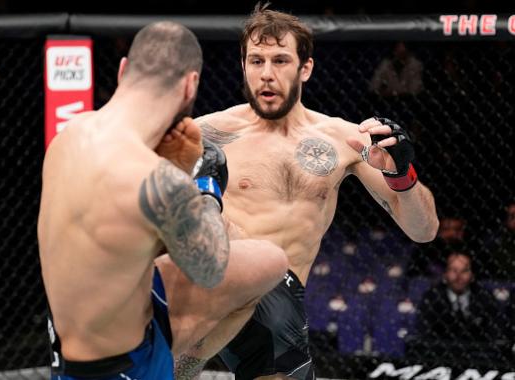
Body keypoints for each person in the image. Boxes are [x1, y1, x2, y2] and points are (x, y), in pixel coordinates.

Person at [174, 4, 439, 379]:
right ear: (244, 66)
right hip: (212, 282)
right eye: (256, 60)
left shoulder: (345, 139)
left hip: (279, 306)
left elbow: (423, 230)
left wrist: (402, 175)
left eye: (280, 60)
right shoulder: (205, 134)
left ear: (305, 68)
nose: (266, 74)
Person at [38, 21, 288, 380]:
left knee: (264, 259)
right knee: (272, 262)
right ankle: (184, 370)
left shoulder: (69, 135)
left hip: (78, 334)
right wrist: (204, 187)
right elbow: (210, 268)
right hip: (123, 368)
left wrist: (174, 169)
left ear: (124, 69)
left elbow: (119, 225)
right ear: (190, 85)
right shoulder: (156, 180)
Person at [412, 251, 503, 363]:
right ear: (445, 274)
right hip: (439, 357)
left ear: (472, 275)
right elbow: (424, 333)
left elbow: (495, 332)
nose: (458, 276)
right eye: (454, 270)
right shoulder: (432, 297)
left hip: (478, 357)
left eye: (464, 271)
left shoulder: (484, 297)